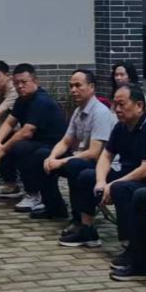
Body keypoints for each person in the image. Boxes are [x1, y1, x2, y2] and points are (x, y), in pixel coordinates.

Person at [58, 85, 146, 251]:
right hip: (126, 175)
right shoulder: (120, 127)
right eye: (115, 104)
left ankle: (130, 245)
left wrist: (113, 184)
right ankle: (87, 229)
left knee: (120, 188)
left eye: (122, 104)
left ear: (139, 106)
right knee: (87, 176)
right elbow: (106, 156)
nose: (117, 109)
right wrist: (101, 182)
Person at [25, 70, 115, 220]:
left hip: (100, 165)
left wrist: (61, 161)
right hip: (81, 158)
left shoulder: (100, 112)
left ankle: (79, 218)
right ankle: (55, 208)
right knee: (41, 156)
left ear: (91, 87)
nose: (73, 90)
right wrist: (52, 157)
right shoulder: (78, 111)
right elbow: (66, 141)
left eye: (78, 85)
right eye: (71, 86)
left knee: (74, 166)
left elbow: (94, 153)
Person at [0, 64, 67, 201]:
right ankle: (10, 185)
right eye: (16, 83)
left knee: (19, 146)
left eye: (24, 82)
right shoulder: (21, 99)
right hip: (34, 141)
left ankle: (34, 194)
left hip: (52, 145)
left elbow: (26, 132)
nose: (20, 86)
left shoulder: (41, 100)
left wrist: (3, 149)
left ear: (35, 81)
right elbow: (9, 123)